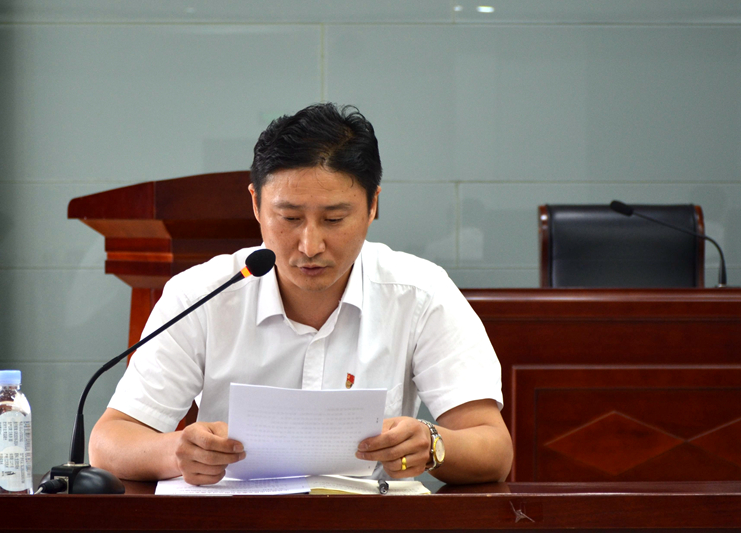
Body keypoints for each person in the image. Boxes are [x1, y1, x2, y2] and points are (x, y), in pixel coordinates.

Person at [89, 103, 513, 485]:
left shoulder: (421, 293)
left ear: (372, 206)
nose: (310, 245)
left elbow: (494, 450)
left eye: (334, 219)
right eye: (289, 217)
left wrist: (433, 443)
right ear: (256, 204)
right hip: (234, 522)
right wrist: (177, 452)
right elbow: (110, 442)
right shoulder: (202, 294)